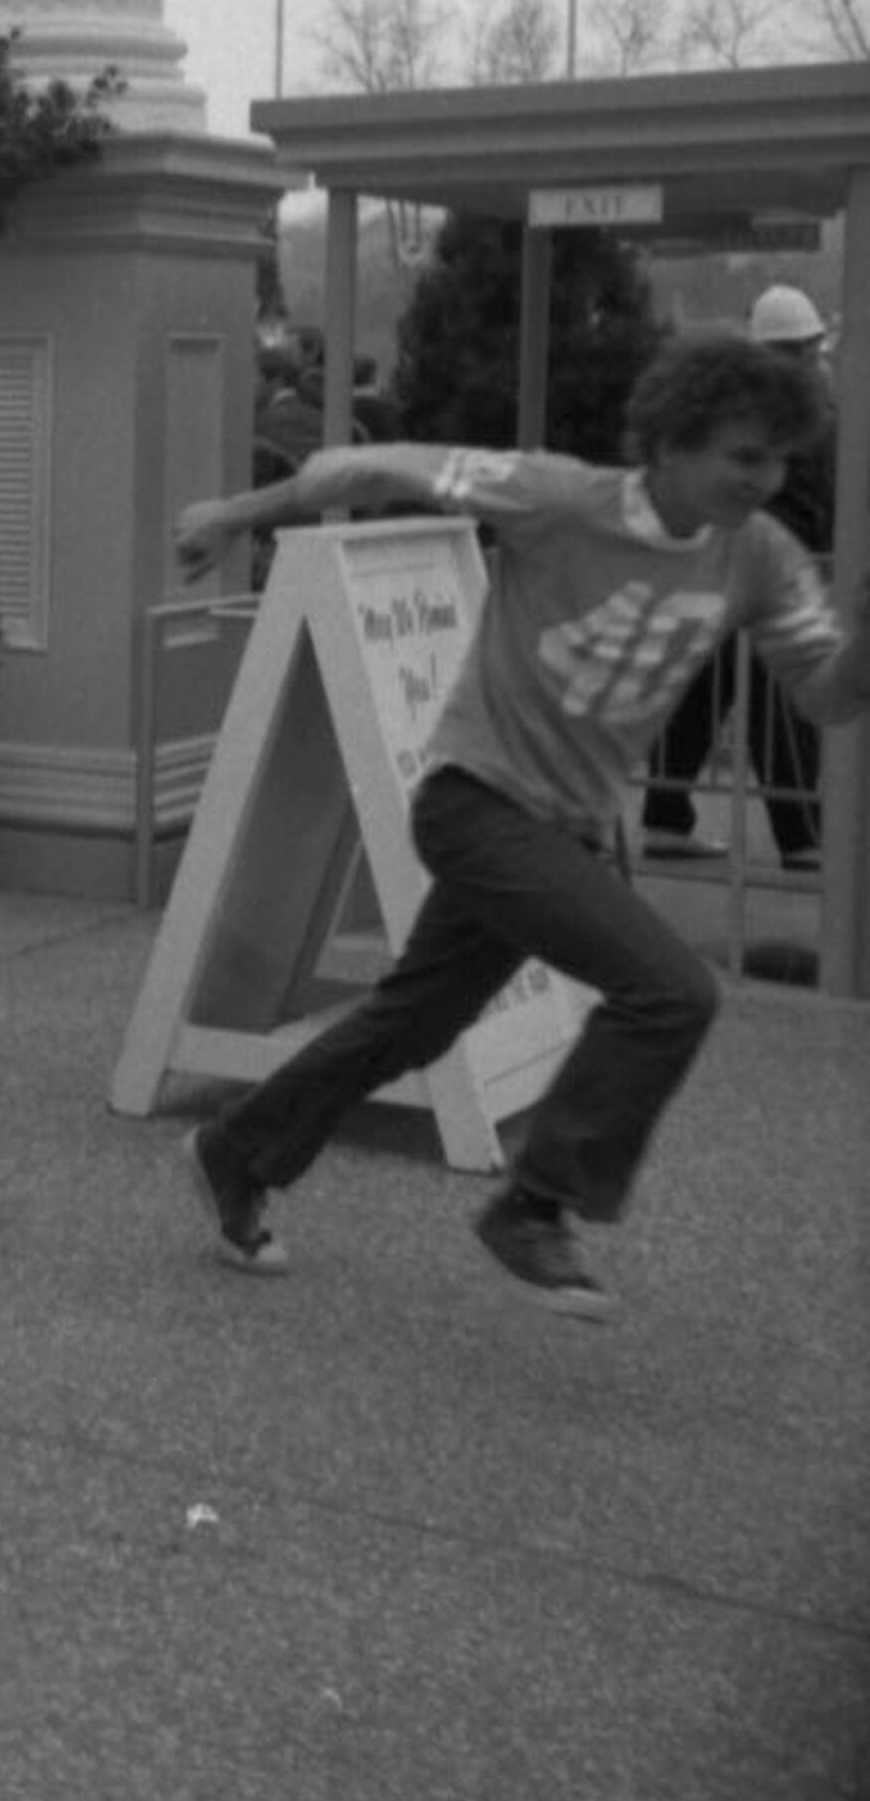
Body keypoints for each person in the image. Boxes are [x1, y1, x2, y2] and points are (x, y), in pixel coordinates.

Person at [169, 334, 870, 1317]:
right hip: (477, 802)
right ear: (670, 443)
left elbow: (829, 699)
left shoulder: (760, 554)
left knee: (415, 1018)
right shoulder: (560, 498)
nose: (766, 479)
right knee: (671, 991)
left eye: (779, 458)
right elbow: (372, 462)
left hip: (568, 827)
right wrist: (233, 512)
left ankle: (234, 1150)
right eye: (743, 455)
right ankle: (534, 1206)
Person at [643, 286, 836, 874]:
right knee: (779, 699)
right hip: (765, 573)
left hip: (720, 565)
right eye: (807, 349)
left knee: (703, 691)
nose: (813, 359)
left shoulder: (736, 409)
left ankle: (665, 818)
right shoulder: (799, 415)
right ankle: (802, 834)